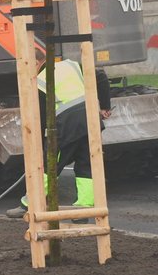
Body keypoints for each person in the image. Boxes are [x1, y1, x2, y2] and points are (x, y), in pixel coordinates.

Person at [6, 59, 112, 218]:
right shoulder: (72, 65)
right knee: (86, 165)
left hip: (67, 127)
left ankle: (28, 205)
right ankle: (82, 211)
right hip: (91, 122)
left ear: (36, 62)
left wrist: (42, 146)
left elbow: (41, 119)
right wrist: (105, 106)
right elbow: (101, 76)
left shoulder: (40, 81)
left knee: (48, 167)